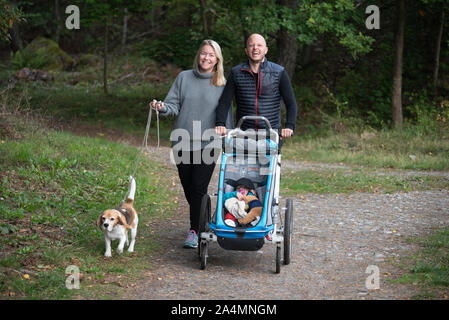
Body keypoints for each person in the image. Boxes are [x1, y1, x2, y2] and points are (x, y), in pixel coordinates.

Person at [151, 40, 233, 249]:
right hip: (182, 141)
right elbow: (173, 105)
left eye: (211, 55)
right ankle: (203, 215)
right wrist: (161, 107)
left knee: (198, 187)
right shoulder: (183, 77)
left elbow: (226, 117)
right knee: (189, 188)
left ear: (217, 60)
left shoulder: (222, 84)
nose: (206, 58)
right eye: (204, 54)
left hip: (209, 142)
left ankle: (195, 231)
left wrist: (228, 139)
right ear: (199, 55)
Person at [215, 33, 298, 144]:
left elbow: (291, 103)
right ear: (246, 50)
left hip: (271, 135)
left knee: (269, 162)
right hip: (243, 134)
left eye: (259, 45)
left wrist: (289, 126)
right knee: (239, 162)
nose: (255, 48)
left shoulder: (279, 72)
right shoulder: (236, 73)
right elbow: (224, 102)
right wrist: (220, 123)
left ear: (266, 50)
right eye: (251, 45)